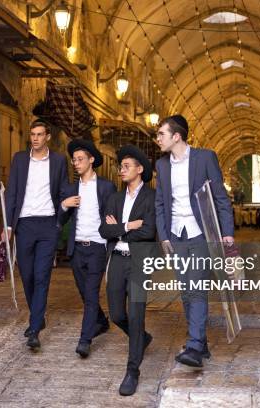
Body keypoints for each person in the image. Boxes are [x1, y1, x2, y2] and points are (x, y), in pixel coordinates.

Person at [154, 115, 234, 368]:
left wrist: (227, 232)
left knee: (197, 286)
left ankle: (194, 346)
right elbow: (160, 203)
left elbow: (220, 197)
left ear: (176, 136)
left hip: (201, 233)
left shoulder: (205, 158)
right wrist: (164, 235)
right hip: (177, 235)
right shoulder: (161, 165)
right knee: (187, 291)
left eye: (161, 134)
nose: (157, 139)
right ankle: (201, 342)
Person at [2, 120, 68, 350]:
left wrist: (60, 221)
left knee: (42, 276)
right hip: (25, 224)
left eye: (40, 134)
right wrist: (8, 225)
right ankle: (38, 316)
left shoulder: (59, 161)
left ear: (48, 136)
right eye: (33, 134)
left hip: (48, 224)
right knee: (27, 275)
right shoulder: (20, 159)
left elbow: (63, 191)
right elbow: (11, 192)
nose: (36, 138)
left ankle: (35, 328)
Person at [99, 145, 156, 396]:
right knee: (116, 315)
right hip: (118, 260)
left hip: (139, 261)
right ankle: (141, 337)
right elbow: (104, 230)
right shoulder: (114, 198)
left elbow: (149, 231)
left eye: (126, 166)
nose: (121, 170)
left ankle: (132, 370)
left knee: (135, 314)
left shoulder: (152, 197)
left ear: (140, 169)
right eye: (120, 166)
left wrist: (120, 228)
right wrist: (130, 225)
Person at [59, 139, 116, 358]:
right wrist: (65, 205)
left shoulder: (106, 187)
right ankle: (101, 321)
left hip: (97, 247)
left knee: (91, 293)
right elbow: (61, 218)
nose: (76, 163)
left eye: (80, 159)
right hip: (77, 248)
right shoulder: (70, 189)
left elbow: (113, 214)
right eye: (74, 160)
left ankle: (85, 339)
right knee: (84, 292)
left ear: (91, 160)